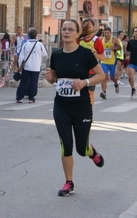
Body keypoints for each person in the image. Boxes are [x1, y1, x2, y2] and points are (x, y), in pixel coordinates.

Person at [44, 19, 104, 197]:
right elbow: (55, 77)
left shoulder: (85, 54)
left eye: (70, 29)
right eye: (64, 29)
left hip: (82, 107)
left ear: (78, 34)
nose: (66, 32)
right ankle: (68, 182)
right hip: (61, 106)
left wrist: (85, 82)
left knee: (81, 148)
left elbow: (101, 75)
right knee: (66, 145)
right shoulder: (56, 55)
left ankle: (91, 152)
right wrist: (50, 78)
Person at [15, 28, 47, 103]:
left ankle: (19, 97)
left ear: (28, 35)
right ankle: (31, 97)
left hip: (26, 66)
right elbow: (45, 54)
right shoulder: (40, 44)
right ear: (36, 35)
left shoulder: (25, 44)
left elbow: (21, 57)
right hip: (36, 66)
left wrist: (19, 66)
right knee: (33, 82)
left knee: (23, 82)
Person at [77, 19, 105, 105]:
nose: (87, 28)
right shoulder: (79, 40)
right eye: (85, 26)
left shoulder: (97, 41)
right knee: (79, 92)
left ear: (93, 27)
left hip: (92, 70)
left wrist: (94, 53)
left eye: (89, 26)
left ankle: (89, 111)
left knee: (90, 92)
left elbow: (102, 57)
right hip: (79, 69)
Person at [99, 27, 120, 99]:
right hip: (103, 61)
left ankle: (116, 84)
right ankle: (104, 92)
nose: (106, 34)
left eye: (108, 33)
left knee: (112, 77)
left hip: (112, 61)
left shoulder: (114, 39)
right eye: (105, 33)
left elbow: (120, 47)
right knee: (104, 76)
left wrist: (114, 48)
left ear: (110, 33)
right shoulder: (101, 39)